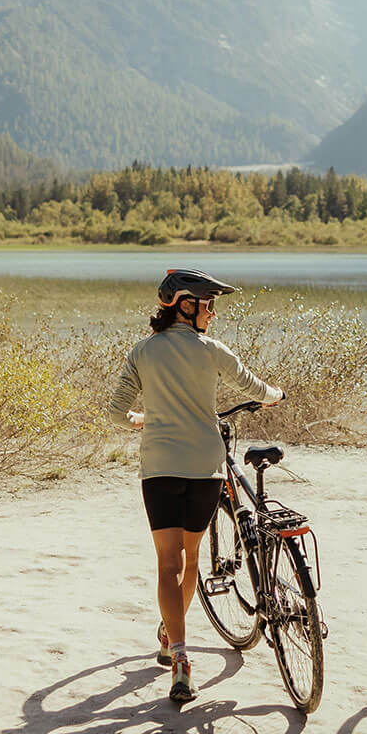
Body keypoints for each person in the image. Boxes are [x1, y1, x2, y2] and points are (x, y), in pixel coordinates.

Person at [105, 268, 282, 705]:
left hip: (161, 467)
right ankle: (173, 634)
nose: (214, 314)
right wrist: (275, 395)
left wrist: (140, 419)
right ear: (187, 304)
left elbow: (115, 411)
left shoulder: (142, 352)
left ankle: (178, 655)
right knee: (192, 557)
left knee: (168, 563)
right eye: (209, 305)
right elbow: (257, 389)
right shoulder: (212, 350)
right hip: (206, 467)